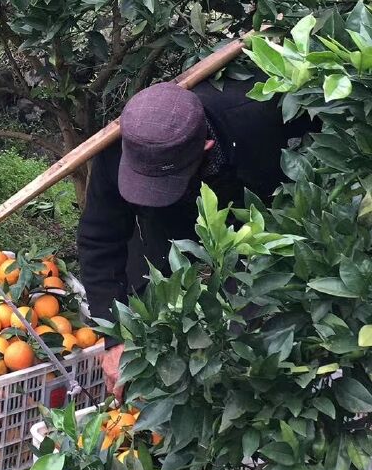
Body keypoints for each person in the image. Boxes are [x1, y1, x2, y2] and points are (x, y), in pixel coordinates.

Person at [77, 75, 311, 398]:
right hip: (164, 244)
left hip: (249, 235)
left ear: (206, 147)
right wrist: (116, 336)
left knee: (246, 359)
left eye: (163, 184)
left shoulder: (259, 117)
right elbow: (100, 239)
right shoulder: (121, 145)